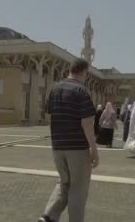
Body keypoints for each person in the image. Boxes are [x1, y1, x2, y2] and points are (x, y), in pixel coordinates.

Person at [39, 58, 98, 222]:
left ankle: (48, 216)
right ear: (84, 72)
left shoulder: (54, 89)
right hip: (77, 148)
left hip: (58, 147)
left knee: (64, 183)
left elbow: (48, 117)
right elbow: (87, 123)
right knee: (78, 189)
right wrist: (93, 149)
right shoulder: (81, 91)